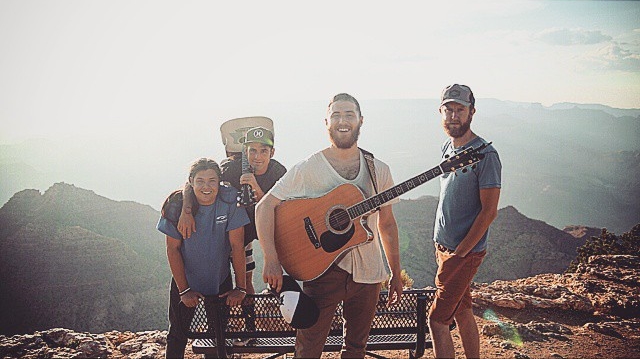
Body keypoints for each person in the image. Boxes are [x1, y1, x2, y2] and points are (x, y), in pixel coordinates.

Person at [256, 93, 404, 358]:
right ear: (326, 122)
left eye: (349, 114)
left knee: (356, 348)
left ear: (361, 120)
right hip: (323, 269)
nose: (342, 121)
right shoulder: (310, 167)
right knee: (309, 348)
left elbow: (387, 224)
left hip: (370, 273)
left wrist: (395, 272)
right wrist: (271, 258)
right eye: (336, 115)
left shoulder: (378, 170)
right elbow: (264, 207)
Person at [427, 84, 502, 358]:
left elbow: (489, 211)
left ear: (472, 112)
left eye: (460, 110)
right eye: (449, 110)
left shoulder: (486, 155)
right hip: (444, 248)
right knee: (462, 310)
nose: (454, 116)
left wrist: (461, 252)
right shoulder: (448, 147)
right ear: (441, 112)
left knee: (436, 321)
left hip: (462, 253)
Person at [178, 126, 287, 298]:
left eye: (263, 151)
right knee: (245, 275)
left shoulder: (278, 172)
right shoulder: (232, 168)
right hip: (242, 227)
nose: (257, 157)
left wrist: (256, 188)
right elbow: (195, 180)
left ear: (272, 153)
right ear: (245, 151)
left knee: (282, 265)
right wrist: (186, 210)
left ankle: (278, 302)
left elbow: (282, 208)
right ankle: (247, 314)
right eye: (252, 151)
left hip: (269, 225)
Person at [157, 158, 250, 359]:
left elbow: (237, 246)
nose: (206, 187)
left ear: (219, 182)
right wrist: (184, 290)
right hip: (187, 280)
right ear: (191, 181)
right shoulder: (176, 206)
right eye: (200, 181)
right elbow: (172, 249)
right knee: (177, 335)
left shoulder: (229, 200)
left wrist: (240, 288)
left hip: (220, 280)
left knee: (218, 337)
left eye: (212, 181)